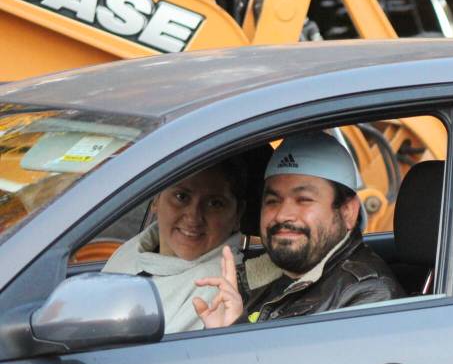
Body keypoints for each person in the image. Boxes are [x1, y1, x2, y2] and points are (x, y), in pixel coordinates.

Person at [194, 131, 403, 328]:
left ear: (348, 211)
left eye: (304, 200)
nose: (283, 215)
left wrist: (235, 330)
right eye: (273, 201)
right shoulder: (258, 278)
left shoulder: (368, 297)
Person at [102, 158, 246, 333]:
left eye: (214, 203)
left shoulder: (217, 289)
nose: (193, 218)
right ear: (156, 199)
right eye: (181, 197)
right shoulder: (133, 249)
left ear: (237, 215)